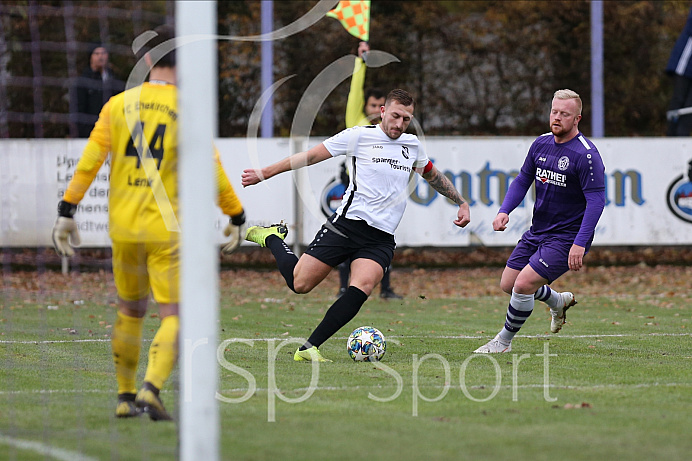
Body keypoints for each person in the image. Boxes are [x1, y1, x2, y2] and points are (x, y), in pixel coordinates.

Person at [52, 25, 247, 420]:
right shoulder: (188, 109)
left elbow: (89, 162)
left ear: (147, 60)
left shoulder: (117, 104)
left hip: (122, 228)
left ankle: (124, 397)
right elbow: (214, 173)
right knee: (177, 314)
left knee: (129, 310)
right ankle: (151, 388)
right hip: (168, 230)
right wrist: (236, 215)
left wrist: (67, 210)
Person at [241, 89, 471, 362]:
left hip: (381, 238)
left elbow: (432, 175)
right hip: (347, 226)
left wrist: (461, 202)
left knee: (362, 286)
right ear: (383, 111)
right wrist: (264, 173)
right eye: (395, 116)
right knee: (299, 284)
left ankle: (309, 348)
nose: (399, 124)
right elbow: (311, 156)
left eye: (406, 119)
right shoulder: (359, 136)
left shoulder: (412, 146)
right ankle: (272, 238)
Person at [474, 89, 606, 354]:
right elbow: (523, 179)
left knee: (523, 286)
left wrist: (579, 243)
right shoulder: (541, 144)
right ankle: (557, 301)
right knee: (508, 285)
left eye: (564, 114)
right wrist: (504, 210)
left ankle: (503, 342)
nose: (556, 118)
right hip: (539, 231)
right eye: (554, 112)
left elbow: (596, 201)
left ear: (577, 118)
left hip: (567, 237)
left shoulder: (586, 155)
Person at [337, 41, 401, 299]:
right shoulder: (357, 123)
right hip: (356, 189)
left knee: (382, 239)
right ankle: (344, 287)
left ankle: (384, 289)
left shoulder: (393, 134)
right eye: (372, 106)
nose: (375, 110)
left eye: (379, 107)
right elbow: (355, 92)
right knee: (346, 238)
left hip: (382, 193)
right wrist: (359, 62)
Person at [75, 45, 124, 138]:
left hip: (112, 133)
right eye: (97, 53)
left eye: (103, 53)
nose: (100, 56)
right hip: (90, 134)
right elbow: (79, 109)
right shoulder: (83, 81)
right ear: (91, 57)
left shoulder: (114, 79)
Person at [666, 7, 692, 137]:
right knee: (679, 100)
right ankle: (672, 137)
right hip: (685, 62)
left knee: (690, 107)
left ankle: (682, 137)